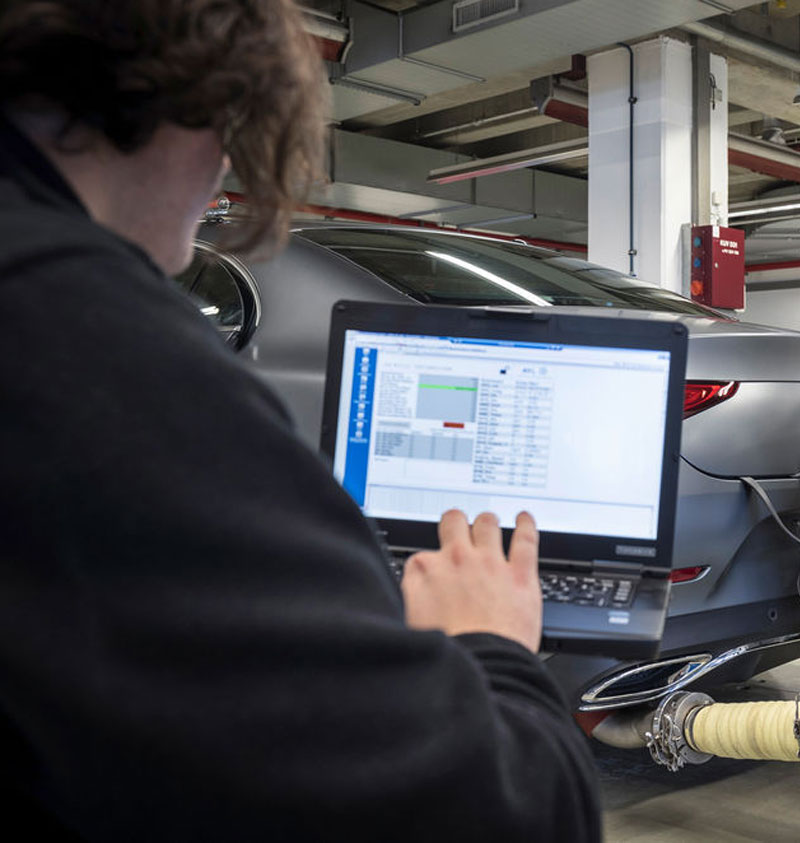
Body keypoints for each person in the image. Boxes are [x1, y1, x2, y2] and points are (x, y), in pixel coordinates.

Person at [0, 2, 600, 839]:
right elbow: (511, 811)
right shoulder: (86, 348)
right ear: (185, 101)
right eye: (232, 127)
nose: (221, 173)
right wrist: (493, 643)